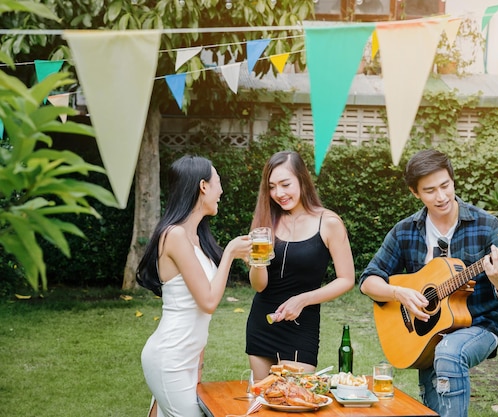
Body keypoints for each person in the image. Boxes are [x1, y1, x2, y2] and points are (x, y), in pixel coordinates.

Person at [359, 149, 498, 417]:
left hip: (480, 324)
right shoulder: (405, 231)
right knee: (434, 407)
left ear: (453, 181)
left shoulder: (486, 225)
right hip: (428, 332)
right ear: (415, 193)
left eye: (445, 185)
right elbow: (368, 281)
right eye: (430, 190)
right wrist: (399, 293)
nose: (441, 196)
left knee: (448, 352)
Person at [137, 155, 252, 417]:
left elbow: (198, 314)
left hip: (186, 358)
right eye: (218, 183)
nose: (221, 191)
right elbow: (208, 302)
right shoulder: (175, 235)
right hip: (170, 357)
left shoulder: (196, 237)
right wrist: (231, 253)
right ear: (203, 186)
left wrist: (198, 364)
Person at [245, 150, 355, 378]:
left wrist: (303, 300)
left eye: (285, 184)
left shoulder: (329, 222)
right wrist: (256, 262)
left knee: (293, 404)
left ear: (302, 180)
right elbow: (258, 286)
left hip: (300, 326)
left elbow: (346, 279)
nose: (279, 193)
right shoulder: (265, 222)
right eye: (272, 187)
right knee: (263, 403)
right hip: (261, 324)